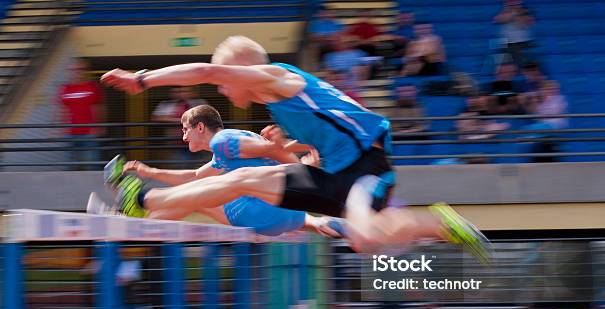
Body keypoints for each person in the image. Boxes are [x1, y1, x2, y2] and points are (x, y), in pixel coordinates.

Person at [100, 35, 490, 259]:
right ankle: (143, 201)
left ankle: (439, 223)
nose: (221, 89)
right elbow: (332, 121)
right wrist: (297, 147)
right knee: (243, 180)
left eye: (226, 82)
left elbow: (207, 71)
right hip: (332, 171)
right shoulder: (279, 104)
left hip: (366, 168)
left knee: (368, 239)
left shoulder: (278, 78)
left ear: (243, 70)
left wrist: (142, 79)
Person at [97, 105, 338, 238]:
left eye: (185, 130)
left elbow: (273, 149)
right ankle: (130, 219)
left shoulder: (222, 140)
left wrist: (289, 149)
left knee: (199, 198)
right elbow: (194, 176)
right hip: (286, 217)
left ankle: (129, 218)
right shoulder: (225, 151)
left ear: (200, 127)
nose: (183, 137)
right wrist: (150, 171)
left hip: (262, 212)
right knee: (199, 194)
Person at [59, 58, 105, 170]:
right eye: (74, 69)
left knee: (92, 164)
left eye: (80, 69)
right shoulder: (65, 89)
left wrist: (99, 125)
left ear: (85, 70)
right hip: (70, 133)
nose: (77, 71)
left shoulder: (92, 87)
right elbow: (62, 109)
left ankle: (94, 186)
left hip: (89, 132)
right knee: (70, 165)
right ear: (69, 71)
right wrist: (60, 127)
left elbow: (99, 107)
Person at [151, 86, 207, 167]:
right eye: (178, 92)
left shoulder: (199, 103)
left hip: (198, 141)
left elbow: (207, 117)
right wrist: (180, 121)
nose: (181, 94)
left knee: (200, 166)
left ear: (192, 93)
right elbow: (156, 117)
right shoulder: (166, 105)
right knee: (181, 166)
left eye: (185, 91)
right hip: (177, 143)